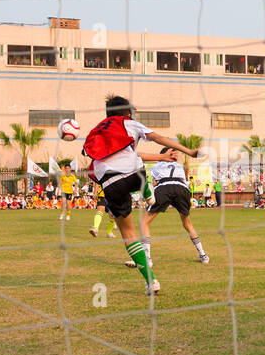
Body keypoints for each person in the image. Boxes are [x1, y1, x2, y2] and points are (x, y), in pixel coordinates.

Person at [83, 95, 199, 295]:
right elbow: (157, 138)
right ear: (128, 113)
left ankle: (151, 281)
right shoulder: (129, 123)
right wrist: (187, 150)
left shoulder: (96, 132)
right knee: (136, 166)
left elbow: (93, 160)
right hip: (135, 174)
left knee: (128, 235)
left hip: (111, 183)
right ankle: (148, 192)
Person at [143, 153, 210, 265]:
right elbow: (183, 180)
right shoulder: (178, 166)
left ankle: (147, 258)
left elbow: (154, 183)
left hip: (164, 187)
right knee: (187, 224)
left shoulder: (157, 165)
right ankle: (203, 255)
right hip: (182, 189)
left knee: (144, 222)